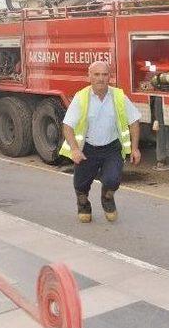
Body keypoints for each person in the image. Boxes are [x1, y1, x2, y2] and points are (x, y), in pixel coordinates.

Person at [60, 61, 141, 223]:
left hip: (111, 148)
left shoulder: (118, 96)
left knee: (113, 180)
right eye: (96, 74)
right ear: (89, 76)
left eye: (104, 74)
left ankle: (107, 198)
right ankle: (83, 204)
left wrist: (135, 148)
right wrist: (75, 149)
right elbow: (67, 126)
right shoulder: (81, 97)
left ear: (109, 77)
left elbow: (134, 122)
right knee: (81, 185)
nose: (100, 78)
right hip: (87, 149)